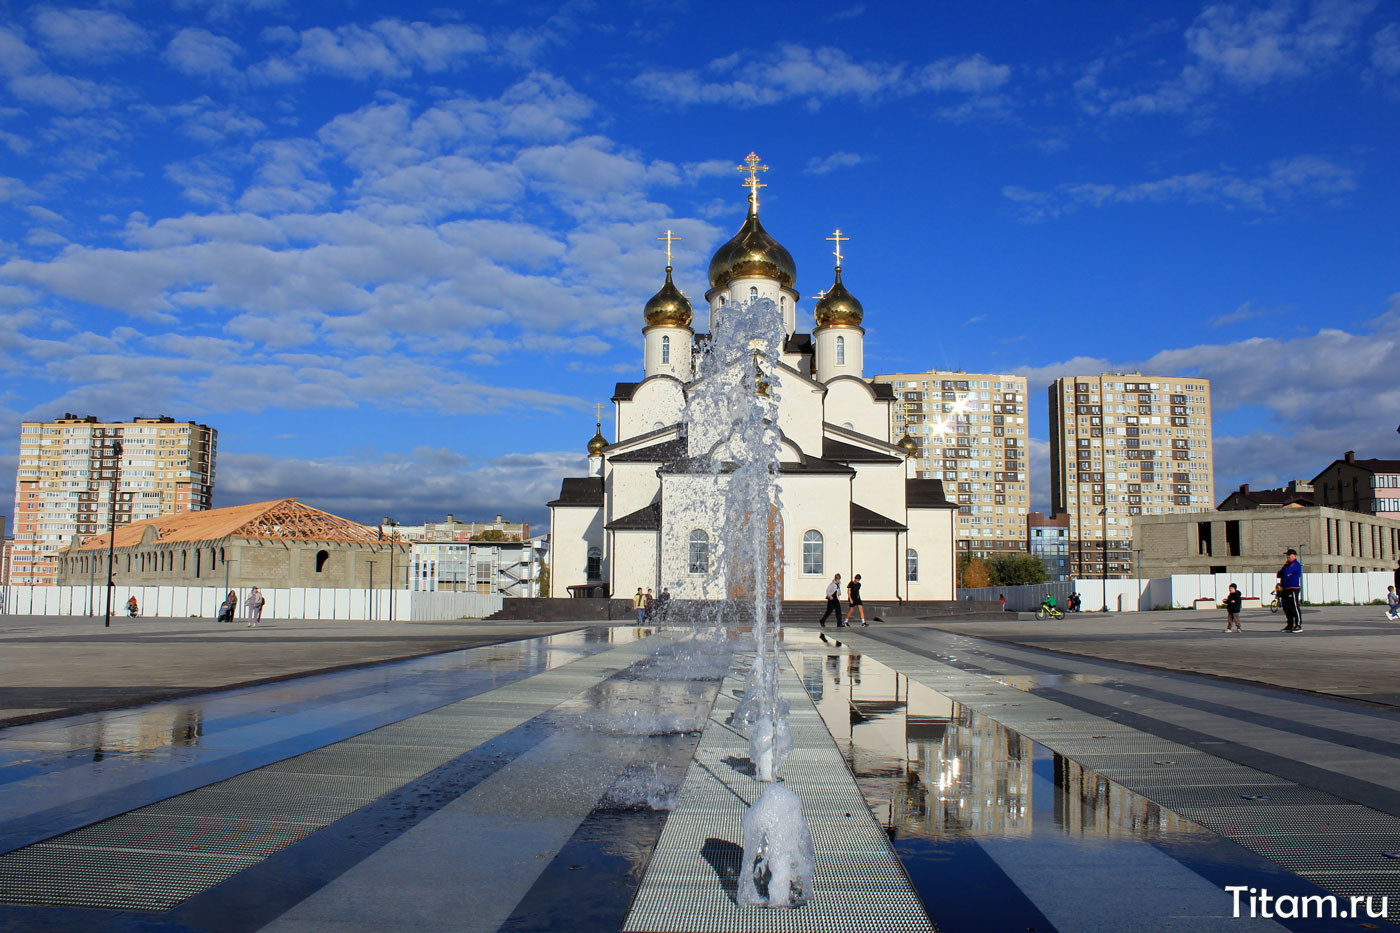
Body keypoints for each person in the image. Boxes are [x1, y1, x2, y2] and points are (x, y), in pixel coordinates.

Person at [1277, 548, 1303, 633]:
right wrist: (1284, 571)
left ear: (1294, 556)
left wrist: (1285, 571)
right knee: (1286, 607)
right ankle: (1290, 624)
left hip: (1293, 588)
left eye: (1289, 555)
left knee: (1294, 606)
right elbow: (1279, 574)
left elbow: (1285, 572)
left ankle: (1298, 624)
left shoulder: (1295, 564)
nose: (1287, 557)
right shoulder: (1287, 565)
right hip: (1285, 588)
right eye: (1287, 555)